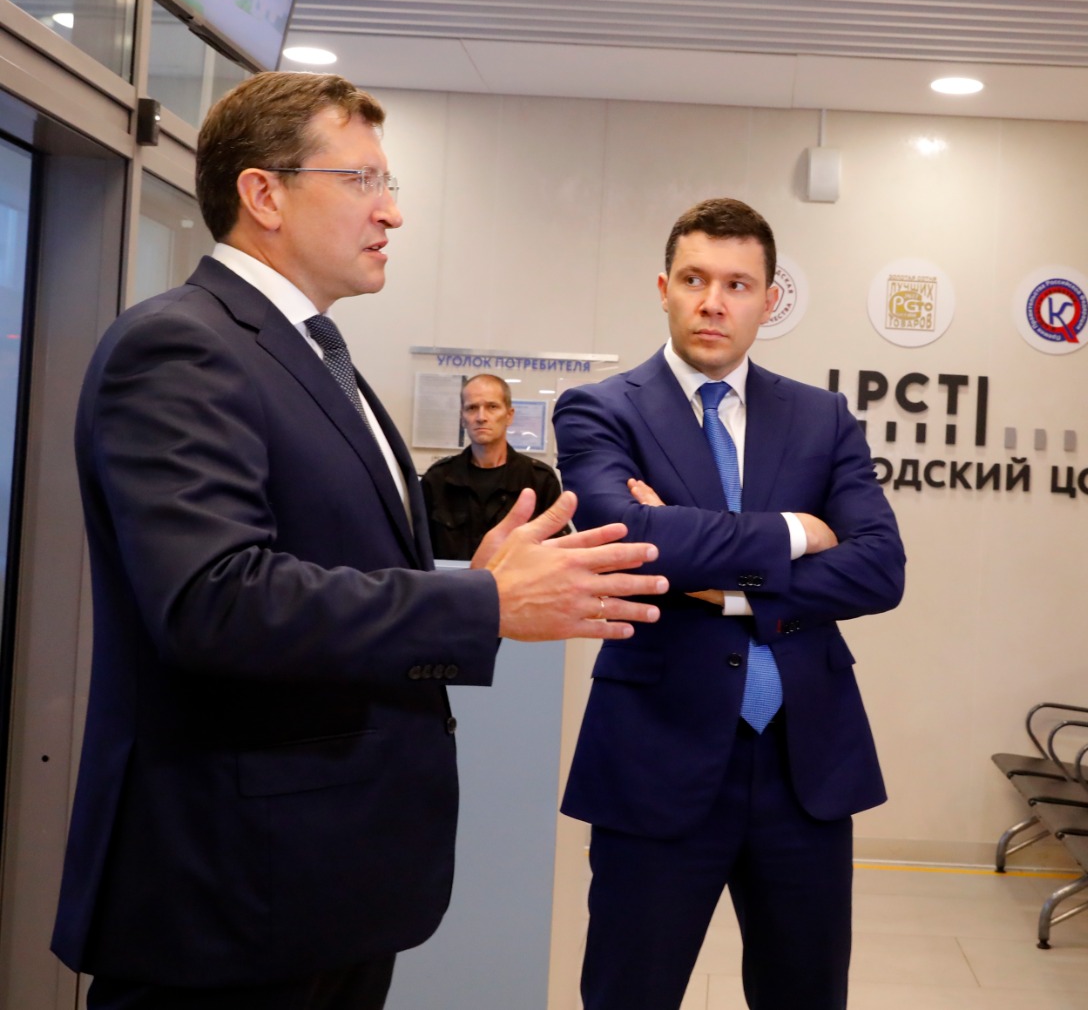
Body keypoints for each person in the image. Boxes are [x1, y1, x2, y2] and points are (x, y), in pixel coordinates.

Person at [51, 70, 668, 1010]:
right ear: (264, 195)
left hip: (322, 877)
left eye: (391, 184)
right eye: (363, 181)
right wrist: (481, 602)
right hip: (230, 890)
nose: (392, 212)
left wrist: (477, 577)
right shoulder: (181, 346)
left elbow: (329, 566)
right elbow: (215, 601)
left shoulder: (311, 353)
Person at [552, 197, 905, 1009]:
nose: (714, 302)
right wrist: (796, 532)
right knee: (628, 994)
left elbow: (880, 570)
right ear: (664, 288)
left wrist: (719, 585)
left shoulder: (821, 417)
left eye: (738, 285)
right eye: (694, 279)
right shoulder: (602, 409)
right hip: (656, 750)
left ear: (769, 300)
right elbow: (630, 539)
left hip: (805, 762)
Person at [422, 373, 566, 559]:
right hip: (451, 579)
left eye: (492, 407)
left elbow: (555, 552)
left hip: (517, 578)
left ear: (509, 416)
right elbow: (419, 549)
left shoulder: (540, 480)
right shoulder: (437, 480)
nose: (481, 417)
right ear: (462, 418)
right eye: (472, 408)